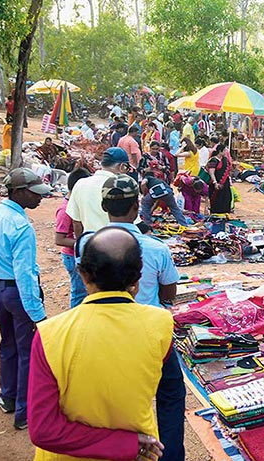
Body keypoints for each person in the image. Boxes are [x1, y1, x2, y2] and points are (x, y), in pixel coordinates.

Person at [27, 227, 169, 461]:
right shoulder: (161, 324)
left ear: (82, 275)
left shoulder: (49, 335)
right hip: (139, 451)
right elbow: (168, 391)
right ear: (137, 279)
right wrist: (125, 444)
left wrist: (120, 444)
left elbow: (44, 430)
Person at [85, 175, 186, 460]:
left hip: (102, 331)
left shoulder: (89, 245)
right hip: (149, 333)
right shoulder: (155, 247)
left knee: (112, 397)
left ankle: (118, 449)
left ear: (105, 206)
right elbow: (169, 293)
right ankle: (170, 455)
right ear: (136, 207)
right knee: (170, 394)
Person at [0, 168, 51, 430]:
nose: (40, 198)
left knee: (7, 344)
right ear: (18, 192)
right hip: (17, 292)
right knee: (28, 351)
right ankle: (25, 412)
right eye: (35, 194)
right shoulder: (21, 226)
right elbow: (25, 274)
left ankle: (7, 396)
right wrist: (38, 314)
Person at [66, 147, 131, 237]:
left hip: (90, 244)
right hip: (116, 243)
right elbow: (133, 222)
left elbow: (76, 222)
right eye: (127, 168)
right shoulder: (121, 186)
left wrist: (81, 244)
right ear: (122, 166)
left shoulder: (80, 183)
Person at [55, 168, 91, 308]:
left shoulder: (76, 204)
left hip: (78, 253)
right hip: (72, 255)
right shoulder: (65, 210)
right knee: (79, 292)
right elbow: (59, 239)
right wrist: (84, 243)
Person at [206, 143, 233, 215]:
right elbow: (211, 172)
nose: (225, 152)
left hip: (225, 183)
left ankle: (225, 213)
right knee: (217, 200)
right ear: (220, 151)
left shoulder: (225, 160)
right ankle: (216, 214)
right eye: (224, 151)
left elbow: (228, 171)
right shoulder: (213, 160)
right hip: (217, 183)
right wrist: (215, 183)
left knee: (227, 198)